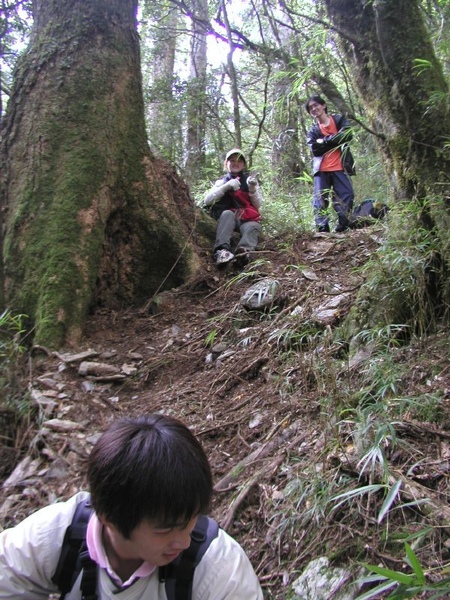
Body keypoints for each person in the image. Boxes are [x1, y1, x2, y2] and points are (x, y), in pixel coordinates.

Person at [0, 414, 264, 599]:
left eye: (191, 520)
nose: (183, 541)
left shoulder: (217, 567)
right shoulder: (58, 536)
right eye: (165, 530)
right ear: (109, 517)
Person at [305, 95, 356, 233]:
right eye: (310, 108)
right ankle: (322, 228)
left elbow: (347, 135)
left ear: (324, 105)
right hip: (321, 169)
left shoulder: (339, 120)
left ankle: (343, 224)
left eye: (316, 105)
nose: (314, 109)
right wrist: (334, 139)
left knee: (347, 194)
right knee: (320, 199)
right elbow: (315, 149)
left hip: (340, 167)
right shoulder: (313, 131)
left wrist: (324, 141)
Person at [203, 148, 262, 266]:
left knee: (254, 226)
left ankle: (244, 253)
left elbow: (257, 205)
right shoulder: (221, 182)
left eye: (239, 161)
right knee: (227, 213)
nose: (236, 163)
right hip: (228, 218)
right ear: (226, 163)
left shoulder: (250, 181)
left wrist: (252, 189)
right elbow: (207, 200)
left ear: (244, 164)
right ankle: (221, 251)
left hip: (246, 218)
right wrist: (226, 186)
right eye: (232, 160)